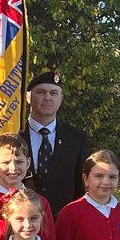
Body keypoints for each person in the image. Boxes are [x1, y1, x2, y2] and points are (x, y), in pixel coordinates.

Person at [22, 72, 91, 220]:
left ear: (61, 99)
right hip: (21, 223)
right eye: (40, 92)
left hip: (65, 221)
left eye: (54, 93)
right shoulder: (15, 135)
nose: (47, 97)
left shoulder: (76, 138)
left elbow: (81, 184)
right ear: (28, 97)